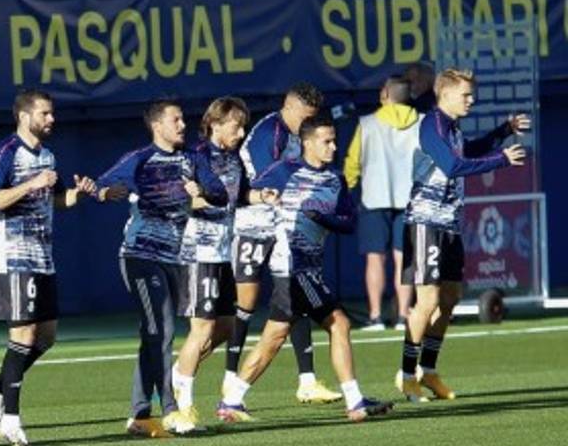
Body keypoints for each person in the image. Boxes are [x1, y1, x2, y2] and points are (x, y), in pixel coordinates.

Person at [217, 115, 394, 423]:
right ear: (307, 143)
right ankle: (355, 401)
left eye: (334, 139)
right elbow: (242, 195)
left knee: (275, 335)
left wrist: (323, 219)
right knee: (338, 324)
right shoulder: (283, 171)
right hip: (290, 267)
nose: (333, 146)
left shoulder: (335, 179)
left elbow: (349, 222)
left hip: (309, 270)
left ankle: (232, 401)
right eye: (327, 141)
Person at [0, 90, 97, 446]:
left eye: (52, 113)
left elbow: (58, 198)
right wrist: (29, 184)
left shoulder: (48, 155)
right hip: (14, 255)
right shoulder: (5, 153)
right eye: (45, 113)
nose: (51, 119)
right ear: (25, 117)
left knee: (46, 337)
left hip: (43, 257)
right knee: (24, 335)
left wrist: (77, 193)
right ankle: (10, 419)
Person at [398, 70, 528, 402]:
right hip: (425, 222)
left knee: (450, 298)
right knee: (425, 303)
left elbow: (468, 151)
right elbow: (452, 167)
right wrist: (501, 160)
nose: (471, 100)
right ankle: (406, 374)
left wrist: (504, 131)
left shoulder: (452, 128)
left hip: (450, 224)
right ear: (445, 95)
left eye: (471, 95)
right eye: (466, 95)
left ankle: (428, 371)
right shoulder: (432, 125)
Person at [92, 100, 220, 438]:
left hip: (173, 259)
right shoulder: (139, 159)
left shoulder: (194, 159)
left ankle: (139, 415)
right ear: (157, 126)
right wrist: (106, 192)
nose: (182, 124)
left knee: (153, 334)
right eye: (175, 119)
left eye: (182, 118)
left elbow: (219, 193)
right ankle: (171, 410)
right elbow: (102, 186)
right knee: (161, 329)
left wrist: (202, 190)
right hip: (139, 255)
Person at [224, 82, 341, 403]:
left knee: (293, 291)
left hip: (281, 221)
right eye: (305, 115)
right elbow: (266, 179)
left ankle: (307, 381)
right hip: (251, 221)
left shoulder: (298, 135)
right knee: (245, 301)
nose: (308, 122)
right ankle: (229, 377)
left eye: (313, 117)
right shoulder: (269, 134)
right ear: (288, 107)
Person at [168, 98, 254, 433]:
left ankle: (178, 373)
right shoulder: (195, 157)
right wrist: (201, 196)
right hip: (198, 252)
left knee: (227, 327)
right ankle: (183, 404)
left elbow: (243, 195)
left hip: (222, 252)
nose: (242, 132)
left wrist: (268, 196)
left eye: (244, 126)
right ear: (215, 123)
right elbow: (182, 199)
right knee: (200, 328)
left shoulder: (234, 159)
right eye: (236, 125)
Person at [343, 74, 419, 330]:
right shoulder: (421, 122)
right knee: (404, 259)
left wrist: (347, 188)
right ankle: (403, 315)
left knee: (375, 260)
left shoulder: (367, 124)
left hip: (374, 198)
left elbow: (352, 163)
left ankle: (375, 315)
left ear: (385, 94)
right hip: (410, 199)